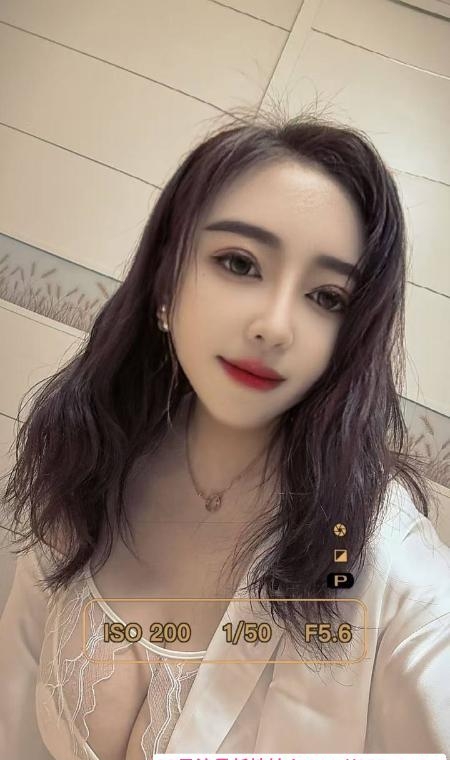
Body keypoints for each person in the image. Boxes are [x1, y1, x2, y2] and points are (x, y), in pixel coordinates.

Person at [0, 106, 449, 760]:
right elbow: (16, 700)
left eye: (327, 298)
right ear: (165, 279)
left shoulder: (379, 552)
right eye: (239, 263)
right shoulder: (91, 457)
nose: (275, 326)